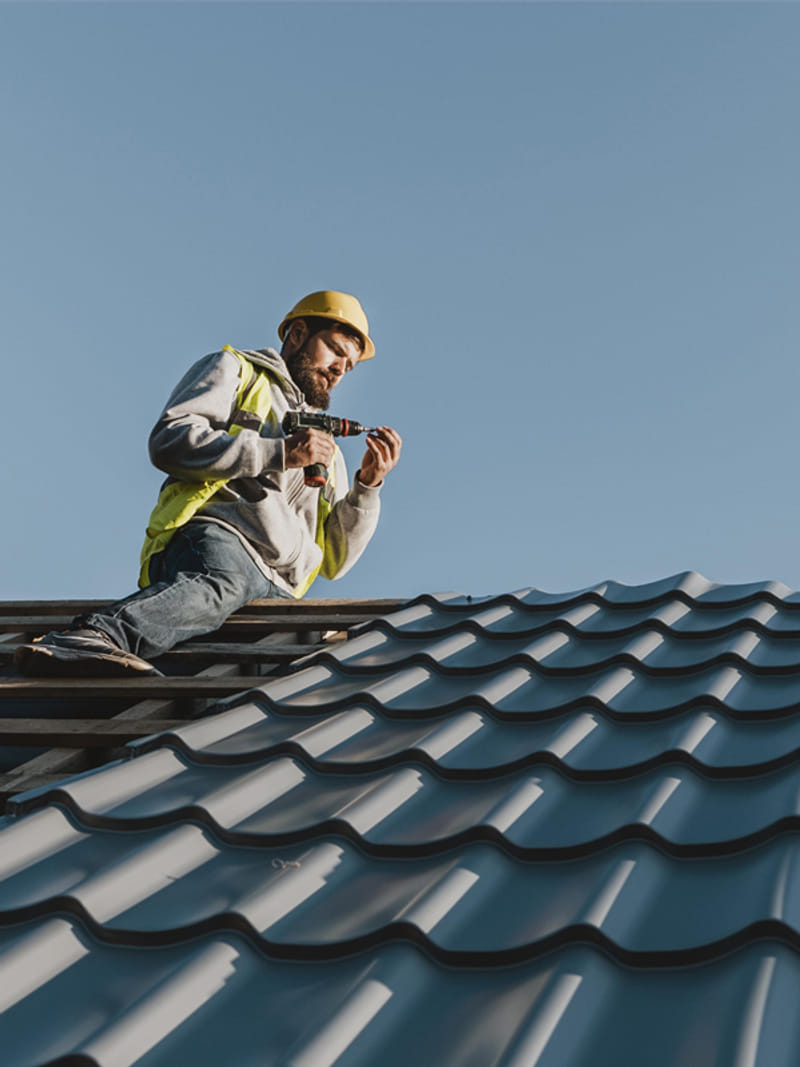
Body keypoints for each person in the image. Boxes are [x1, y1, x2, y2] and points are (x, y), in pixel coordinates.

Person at [15, 291, 402, 677]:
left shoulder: (327, 452)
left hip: (280, 589)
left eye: (348, 366)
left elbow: (335, 561)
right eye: (334, 351)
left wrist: (367, 487)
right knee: (219, 584)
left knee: (245, 682)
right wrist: (278, 453)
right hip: (223, 542)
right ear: (298, 334)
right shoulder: (237, 372)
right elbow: (170, 441)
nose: (339, 369)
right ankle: (93, 635)